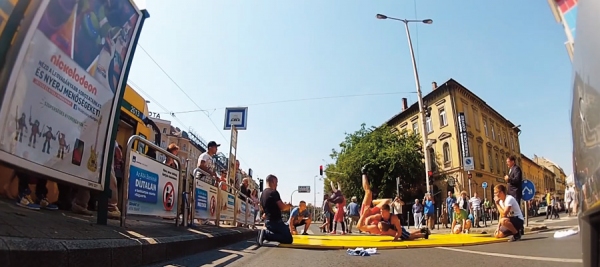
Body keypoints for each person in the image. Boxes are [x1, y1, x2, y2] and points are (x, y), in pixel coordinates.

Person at [257, 174, 293, 246]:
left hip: (268, 222)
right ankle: (266, 234)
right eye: (276, 183)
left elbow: (262, 207)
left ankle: (267, 233)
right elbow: (282, 207)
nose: (277, 185)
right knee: (288, 238)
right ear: (273, 181)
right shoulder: (273, 192)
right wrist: (288, 206)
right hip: (276, 222)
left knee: (285, 230)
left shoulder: (263, 194)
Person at [356, 164, 392, 234]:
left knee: (368, 192)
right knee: (387, 200)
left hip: (366, 215)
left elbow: (366, 221)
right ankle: (373, 201)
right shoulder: (384, 218)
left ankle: (363, 172)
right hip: (372, 214)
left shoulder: (375, 227)